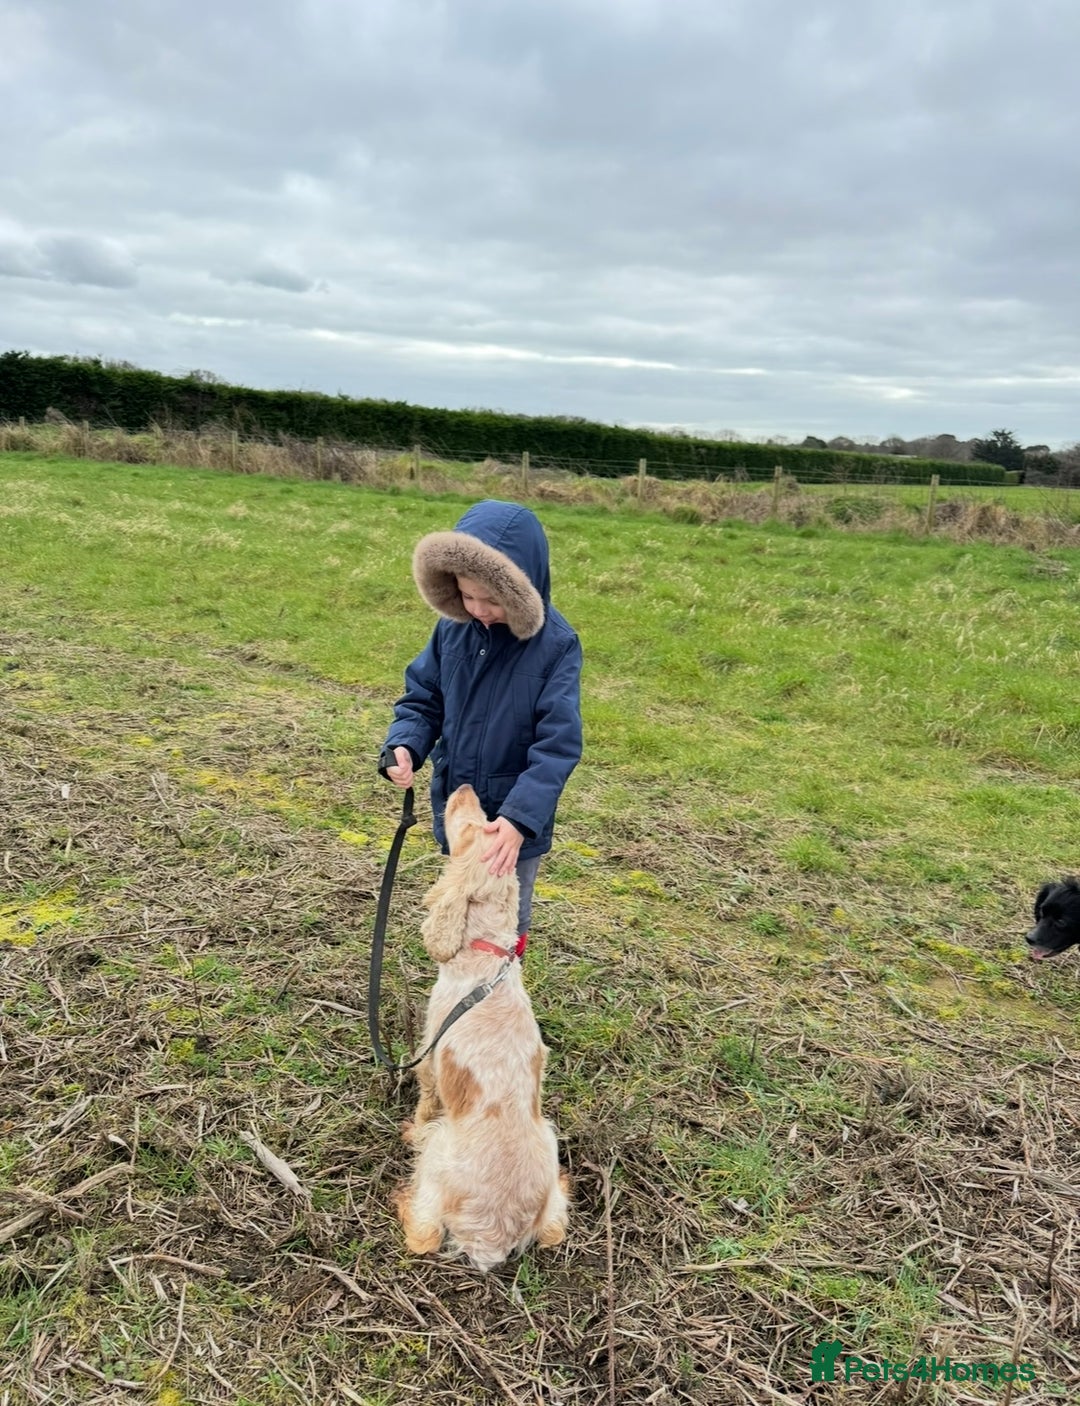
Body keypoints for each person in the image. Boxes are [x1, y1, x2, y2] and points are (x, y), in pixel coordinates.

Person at [380, 500, 583, 952]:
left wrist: (518, 818)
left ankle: (499, 981)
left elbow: (558, 745)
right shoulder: (452, 630)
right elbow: (423, 697)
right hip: (460, 801)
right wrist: (406, 745)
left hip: (511, 823)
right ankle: (457, 977)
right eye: (467, 596)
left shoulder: (557, 647)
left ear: (522, 588)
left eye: (492, 600)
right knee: (462, 896)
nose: (479, 609)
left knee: (505, 908)